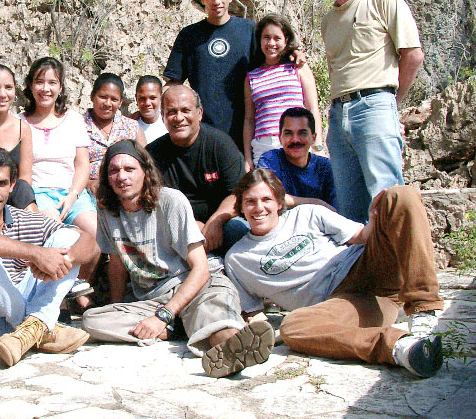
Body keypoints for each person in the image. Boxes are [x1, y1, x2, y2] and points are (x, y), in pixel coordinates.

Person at [225, 168, 444, 378]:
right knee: (292, 327)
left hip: (365, 265)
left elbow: (361, 236)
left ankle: (424, 313)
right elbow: (254, 314)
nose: (259, 208)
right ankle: (404, 348)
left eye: (266, 200)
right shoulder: (237, 259)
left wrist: (374, 220)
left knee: (401, 194)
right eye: (250, 201)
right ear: (241, 208)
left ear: (279, 203)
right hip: (343, 304)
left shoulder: (308, 213)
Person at [81, 140, 274, 377]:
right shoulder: (107, 210)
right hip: (153, 298)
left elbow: (201, 269)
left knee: (215, 319)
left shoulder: (171, 202)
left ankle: (234, 347)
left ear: (145, 171)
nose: (121, 176)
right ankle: (180, 327)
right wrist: (117, 306)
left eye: (129, 169)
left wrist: (164, 315)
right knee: (93, 321)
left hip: (196, 286)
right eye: (114, 170)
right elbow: (118, 264)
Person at [0, 146, 99, 367]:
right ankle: (42, 325)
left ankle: (31, 329)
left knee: (66, 238)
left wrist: (64, 260)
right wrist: (36, 253)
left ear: (12, 185)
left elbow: (89, 244)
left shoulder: (24, 218)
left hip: (15, 323)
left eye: (2, 183)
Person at [316, 0, 424, 224]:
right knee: (351, 204)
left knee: (387, 195)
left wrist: (390, 104)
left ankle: (401, 267)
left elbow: (412, 55)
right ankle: (364, 267)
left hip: (375, 104)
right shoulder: (327, 21)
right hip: (338, 114)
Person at [146, 85, 248, 255]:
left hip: (220, 226)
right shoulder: (152, 154)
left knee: (238, 230)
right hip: (175, 229)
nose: (179, 118)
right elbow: (151, 201)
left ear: (199, 113)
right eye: (171, 112)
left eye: (185, 110)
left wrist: (216, 220)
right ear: (162, 117)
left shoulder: (221, 145)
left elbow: (238, 193)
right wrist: (191, 226)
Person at [163, 0, 257, 150]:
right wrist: (152, 114)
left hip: (246, 131)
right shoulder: (189, 35)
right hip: (202, 132)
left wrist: (294, 54)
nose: (217, 1)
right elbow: (173, 83)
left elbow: (271, 66)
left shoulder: (250, 30)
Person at [21, 57, 97, 236]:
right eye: (39, 82)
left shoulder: (74, 120)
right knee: (55, 231)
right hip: (36, 195)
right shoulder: (19, 122)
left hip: (71, 193)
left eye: (52, 82)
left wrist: (72, 195)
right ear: (30, 86)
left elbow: (82, 165)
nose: (45, 89)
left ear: (60, 87)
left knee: (96, 233)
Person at [243, 14, 322, 169]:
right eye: (266, 37)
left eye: (277, 38)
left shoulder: (298, 68)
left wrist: (317, 145)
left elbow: (313, 108)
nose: (271, 43)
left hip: (297, 141)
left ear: (286, 40)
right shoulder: (251, 77)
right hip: (264, 146)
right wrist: (247, 158)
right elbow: (249, 119)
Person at [0, 64, 36, 210]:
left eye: (8, 87)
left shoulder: (23, 128)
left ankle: (36, 227)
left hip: (11, 195)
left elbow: (25, 177)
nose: (2, 94)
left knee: (23, 188)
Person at [258, 107, 337, 210]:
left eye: (302, 133)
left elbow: (335, 208)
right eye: (288, 133)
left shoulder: (325, 167)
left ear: (313, 138)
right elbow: (266, 195)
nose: (295, 139)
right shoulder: (270, 160)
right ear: (280, 138)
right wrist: (316, 203)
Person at [84, 72, 146, 195]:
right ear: (92, 96)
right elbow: (66, 165)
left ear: (120, 102)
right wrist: (87, 183)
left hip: (126, 191)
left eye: (114, 99)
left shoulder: (132, 127)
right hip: (88, 194)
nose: (107, 103)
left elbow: (146, 163)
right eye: (102, 97)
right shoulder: (77, 126)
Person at [131, 76, 168, 143]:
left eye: (152, 98)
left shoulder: (169, 123)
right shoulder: (130, 127)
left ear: (161, 97)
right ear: (136, 98)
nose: (147, 103)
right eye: (142, 98)